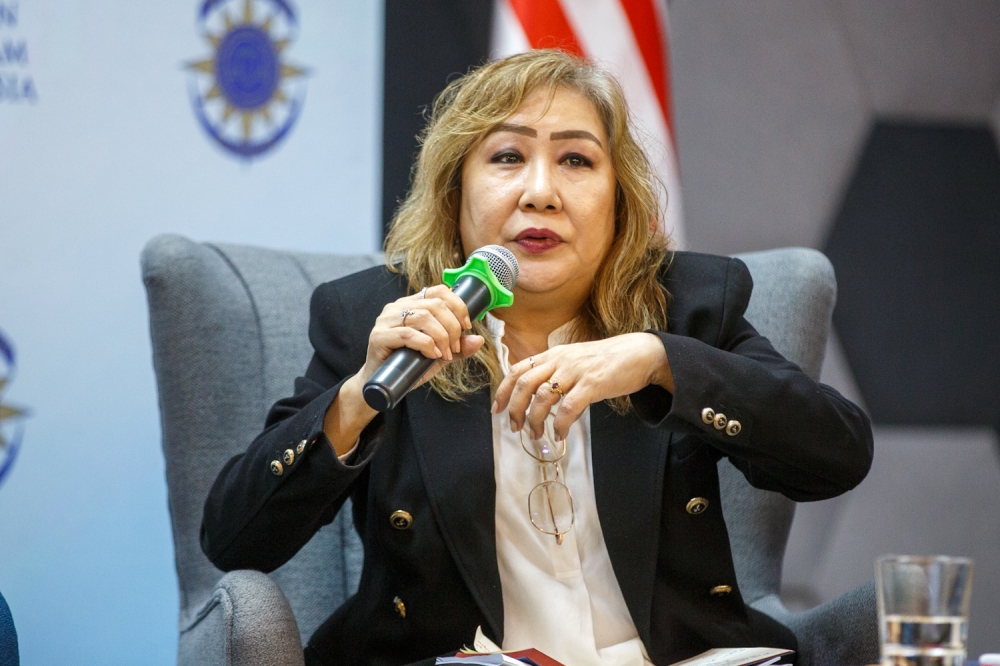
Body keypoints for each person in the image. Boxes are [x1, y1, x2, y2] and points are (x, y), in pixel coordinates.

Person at [201, 50, 873, 666]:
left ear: (619, 201)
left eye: (577, 161)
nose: (540, 191)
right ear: (454, 195)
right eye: (506, 158)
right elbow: (235, 540)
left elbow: (837, 451)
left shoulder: (683, 307)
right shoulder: (375, 319)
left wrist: (660, 362)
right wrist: (358, 398)